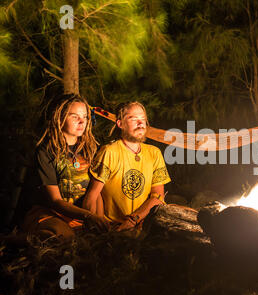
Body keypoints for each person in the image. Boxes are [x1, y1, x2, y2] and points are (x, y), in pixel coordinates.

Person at [22, 94, 109, 241]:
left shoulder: (91, 149)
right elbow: (54, 200)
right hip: (51, 213)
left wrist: (98, 218)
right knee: (63, 236)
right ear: (60, 118)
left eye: (85, 117)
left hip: (84, 215)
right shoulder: (47, 151)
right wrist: (88, 216)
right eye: (75, 117)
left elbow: (97, 190)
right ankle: (12, 239)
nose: (82, 121)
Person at [83, 101, 171, 231]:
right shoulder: (109, 152)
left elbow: (158, 196)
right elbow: (93, 194)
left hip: (142, 223)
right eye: (133, 119)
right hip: (112, 227)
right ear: (120, 124)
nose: (140, 123)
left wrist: (135, 218)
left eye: (143, 119)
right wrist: (96, 226)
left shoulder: (154, 153)